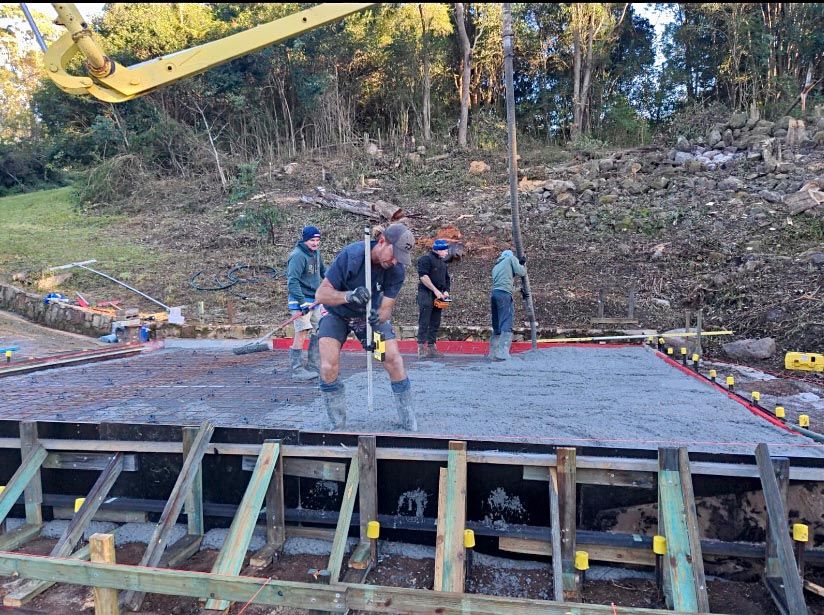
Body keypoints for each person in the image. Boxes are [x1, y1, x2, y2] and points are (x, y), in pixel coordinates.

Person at [314, 224, 417, 431]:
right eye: (394, 254)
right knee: (328, 366)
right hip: (337, 314)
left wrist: (376, 318)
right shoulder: (352, 256)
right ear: (381, 242)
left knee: (392, 360)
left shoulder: (396, 270)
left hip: (368, 321)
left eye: (400, 257)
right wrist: (348, 295)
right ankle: (338, 424)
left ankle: (408, 421)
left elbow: (386, 309)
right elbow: (321, 294)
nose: (395, 260)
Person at [286, 226, 325, 380]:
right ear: (304, 240)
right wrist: (302, 303)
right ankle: (297, 370)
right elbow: (292, 282)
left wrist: (334, 280)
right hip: (299, 300)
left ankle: (313, 365)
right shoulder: (297, 256)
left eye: (317, 240)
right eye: (312, 240)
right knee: (302, 332)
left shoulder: (316, 253)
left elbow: (323, 271)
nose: (315, 243)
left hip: (315, 300)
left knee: (320, 329)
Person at [416, 238, 451, 358]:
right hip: (426, 293)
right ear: (439, 250)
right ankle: (421, 348)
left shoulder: (443, 263)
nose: (447, 252)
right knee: (424, 320)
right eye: (445, 250)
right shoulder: (425, 259)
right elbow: (423, 276)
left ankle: (432, 347)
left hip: (439, 295)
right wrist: (435, 290)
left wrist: (446, 291)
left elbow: (447, 279)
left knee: (435, 321)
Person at [489, 249, 526, 361]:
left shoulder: (496, 267)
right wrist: (522, 264)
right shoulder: (510, 258)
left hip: (495, 294)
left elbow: (503, 284)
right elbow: (522, 272)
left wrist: (518, 289)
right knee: (506, 320)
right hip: (504, 295)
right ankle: (502, 353)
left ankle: (493, 353)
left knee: (497, 322)